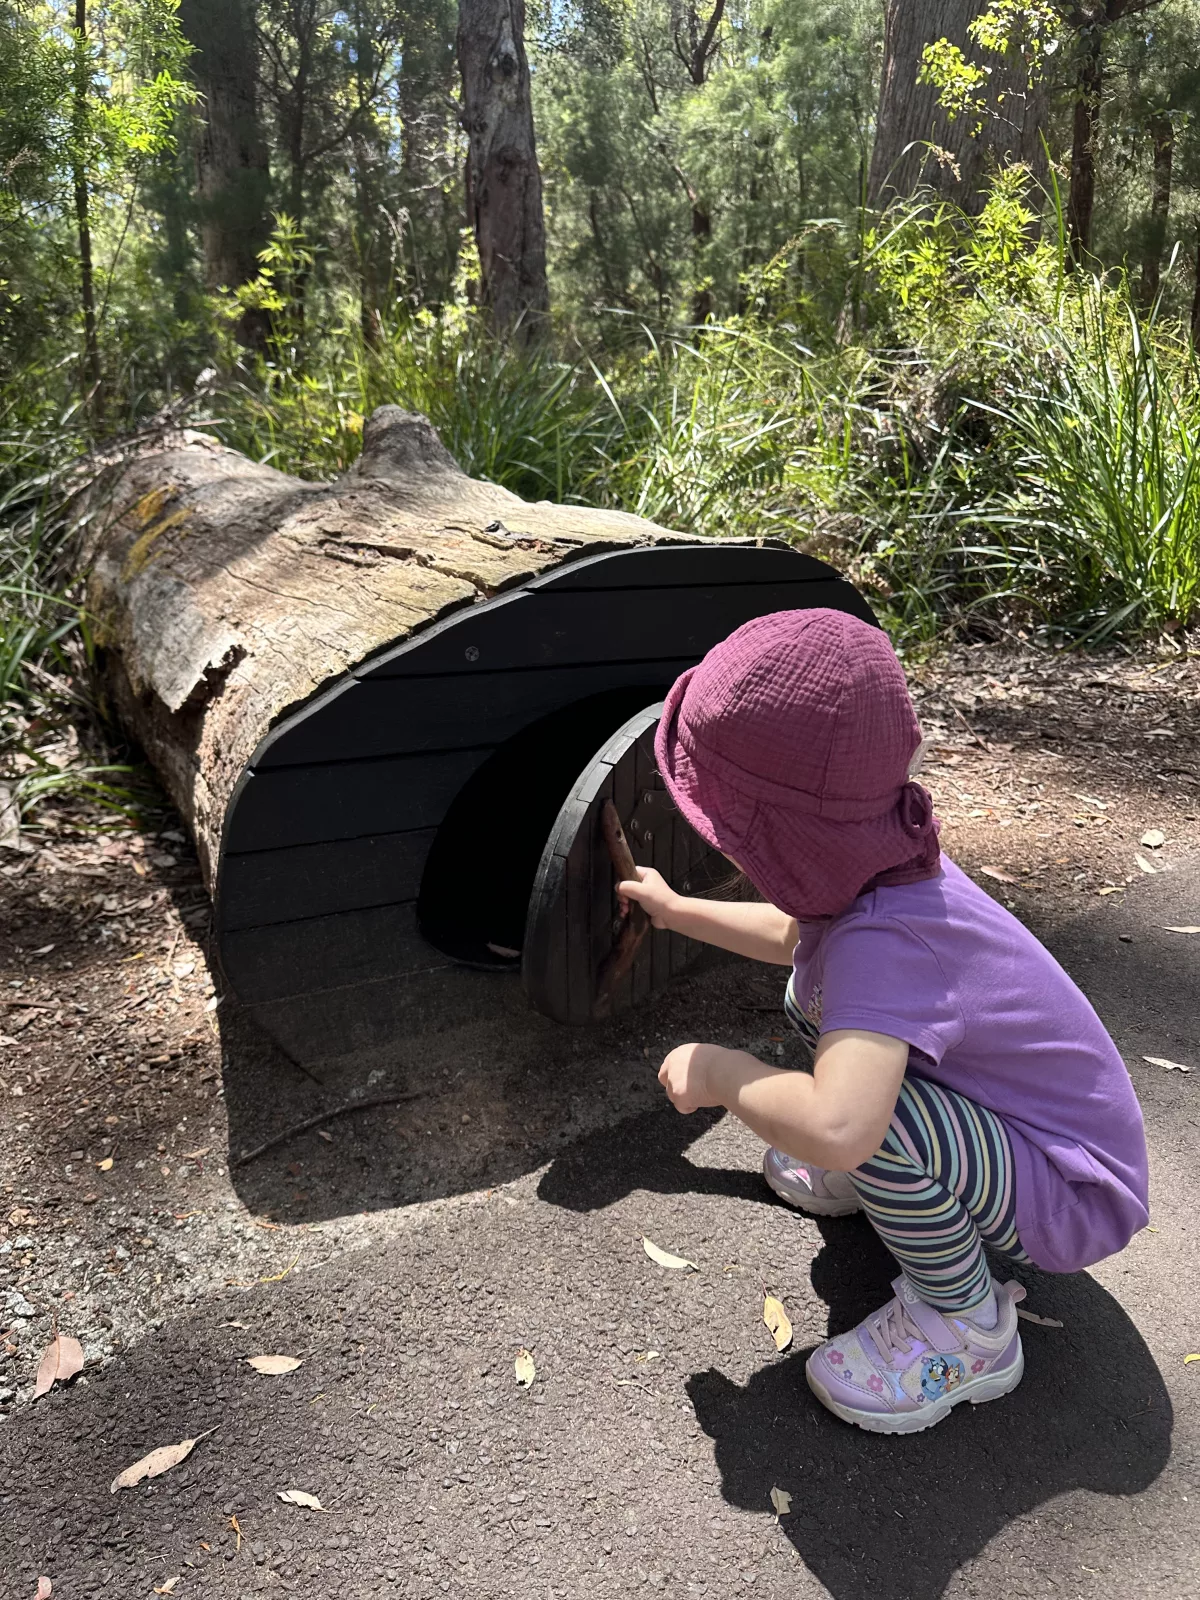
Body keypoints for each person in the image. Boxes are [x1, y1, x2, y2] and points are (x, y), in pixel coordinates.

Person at [619, 609, 1150, 1435]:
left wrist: (723, 1074)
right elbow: (798, 938)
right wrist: (677, 910)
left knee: (872, 1122)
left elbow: (837, 1125)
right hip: (1022, 1138)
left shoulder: (885, 943)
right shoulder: (880, 874)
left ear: (784, 835)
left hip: (1076, 1190)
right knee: (822, 1011)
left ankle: (970, 1331)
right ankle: (899, 1182)